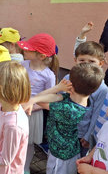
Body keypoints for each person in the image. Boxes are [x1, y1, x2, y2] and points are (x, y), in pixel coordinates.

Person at [23, 63, 104, 174]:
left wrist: (57, 88)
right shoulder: (77, 100)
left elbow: (38, 98)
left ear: (72, 85)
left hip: (61, 157)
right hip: (64, 151)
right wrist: (34, 100)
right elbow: (53, 97)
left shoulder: (68, 110)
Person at [17, 33, 59, 174]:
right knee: (15, 139)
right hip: (17, 108)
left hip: (32, 113)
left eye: (29, 49)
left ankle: (24, 167)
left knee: (27, 144)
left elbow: (48, 98)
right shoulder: (22, 65)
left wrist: (30, 106)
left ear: (41, 56)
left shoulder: (48, 75)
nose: (25, 50)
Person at [66, 23, 108, 157]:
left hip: (81, 133)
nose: (86, 64)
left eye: (91, 62)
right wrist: (82, 35)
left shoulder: (101, 88)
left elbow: (97, 113)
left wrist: (88, 135)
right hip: (64, 127)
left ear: (100, 64)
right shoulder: (70, 77)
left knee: (76, 161)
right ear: (75, 61)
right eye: (82, 61)